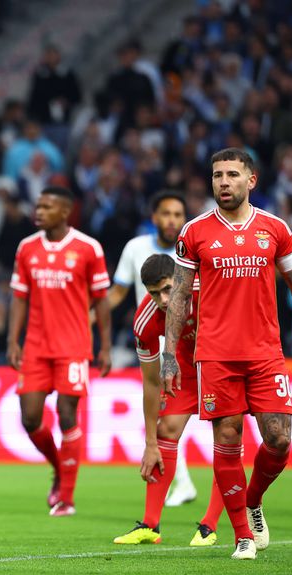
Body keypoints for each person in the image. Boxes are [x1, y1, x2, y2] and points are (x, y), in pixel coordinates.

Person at [163, 148, 292, 560]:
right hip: (215, 354)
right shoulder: (195, 232)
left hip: (266, 352)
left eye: (232, 174)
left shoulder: (274, 228)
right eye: (217, 175)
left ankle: (253, 501)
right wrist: (169, 354)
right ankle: (242, 537)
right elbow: (179, 295)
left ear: (251, 180)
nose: (224, 182)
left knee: (278, 440)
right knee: (228, 438)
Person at [7, 186, 112, 516]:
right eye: (37, 206)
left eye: (47, 207)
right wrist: (13, 340)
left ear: (65, 212)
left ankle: (66, 496)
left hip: (73, 347)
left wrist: (105, 345)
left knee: (67, 414)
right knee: (30, 418)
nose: (38, 211)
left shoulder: (88, 249)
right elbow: (20, 297)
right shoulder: (26, 248)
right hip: (37, 347)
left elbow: (102, 300)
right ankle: (59, 467)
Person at [113, 254, 224, 546]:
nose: (162, 299)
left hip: (224, 364)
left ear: (181, 280)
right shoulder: (145, 321)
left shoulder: (208, 289)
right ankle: (150, 525)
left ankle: (209, 525)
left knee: (226, 435)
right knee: (166, 430)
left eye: (167, 289)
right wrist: (149, 445)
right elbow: (150, 383)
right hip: (186, 370)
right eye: (153, 293)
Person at [107, 190, 198, 507]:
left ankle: (187, 486)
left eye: (177, 214)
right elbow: (117, 292)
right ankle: (181, 483)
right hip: (151, 337)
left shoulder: (193, 250)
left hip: (195, 343)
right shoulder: (135, 248)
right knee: (165, 416)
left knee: (182, 418)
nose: (171, 220)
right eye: (166, 213)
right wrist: (91, 315)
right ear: (154, 216)